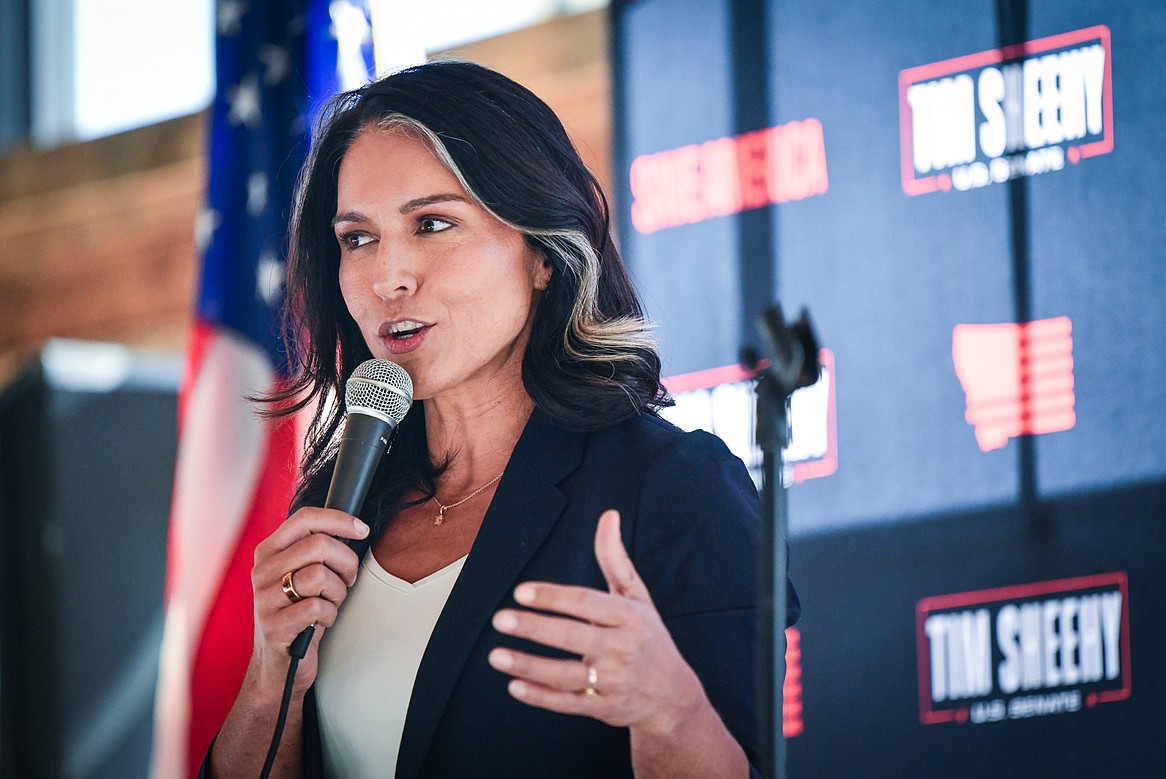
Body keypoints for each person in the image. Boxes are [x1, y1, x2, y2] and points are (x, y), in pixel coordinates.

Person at [205, 60, 798, 778]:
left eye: (431, 223)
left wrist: (669, 711)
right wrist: (273, 673)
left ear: (543, 252)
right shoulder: (338, 506)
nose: (388, 277)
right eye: (357, 238)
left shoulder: (671, 486)